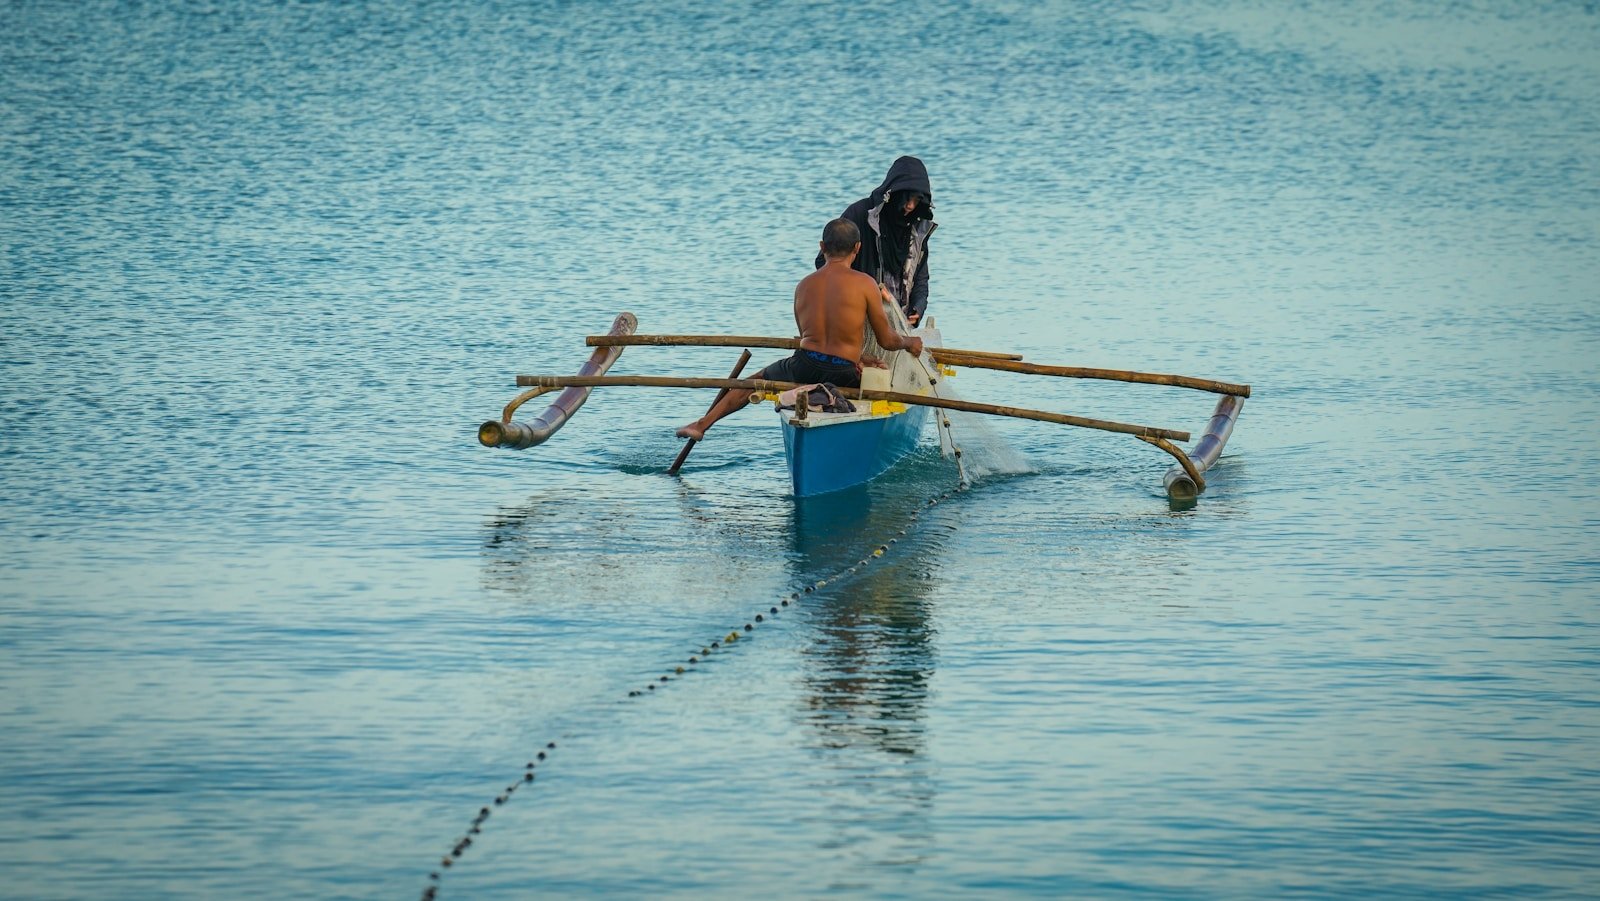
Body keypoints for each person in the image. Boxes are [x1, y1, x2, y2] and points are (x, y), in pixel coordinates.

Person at [676, 218, 924, 442]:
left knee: (753, 381)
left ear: (822, 247)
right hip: (843, 373)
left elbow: (809, 337)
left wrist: (859, 356)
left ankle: (702, 424)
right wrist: (909, 343)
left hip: (804, 365)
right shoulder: (865, 284)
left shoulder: (804, 285)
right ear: (857, 248)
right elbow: (887, 340)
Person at [815, 156, 936, 326]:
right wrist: (868, 292)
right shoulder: (859, 214)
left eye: (916, 200)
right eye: (906, 199)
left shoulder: (918, 229)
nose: (910, 206)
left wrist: (918, 307)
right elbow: (825, 262)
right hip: (858, 321)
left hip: (899, 324)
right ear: (892, 194)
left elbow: (921, 277)